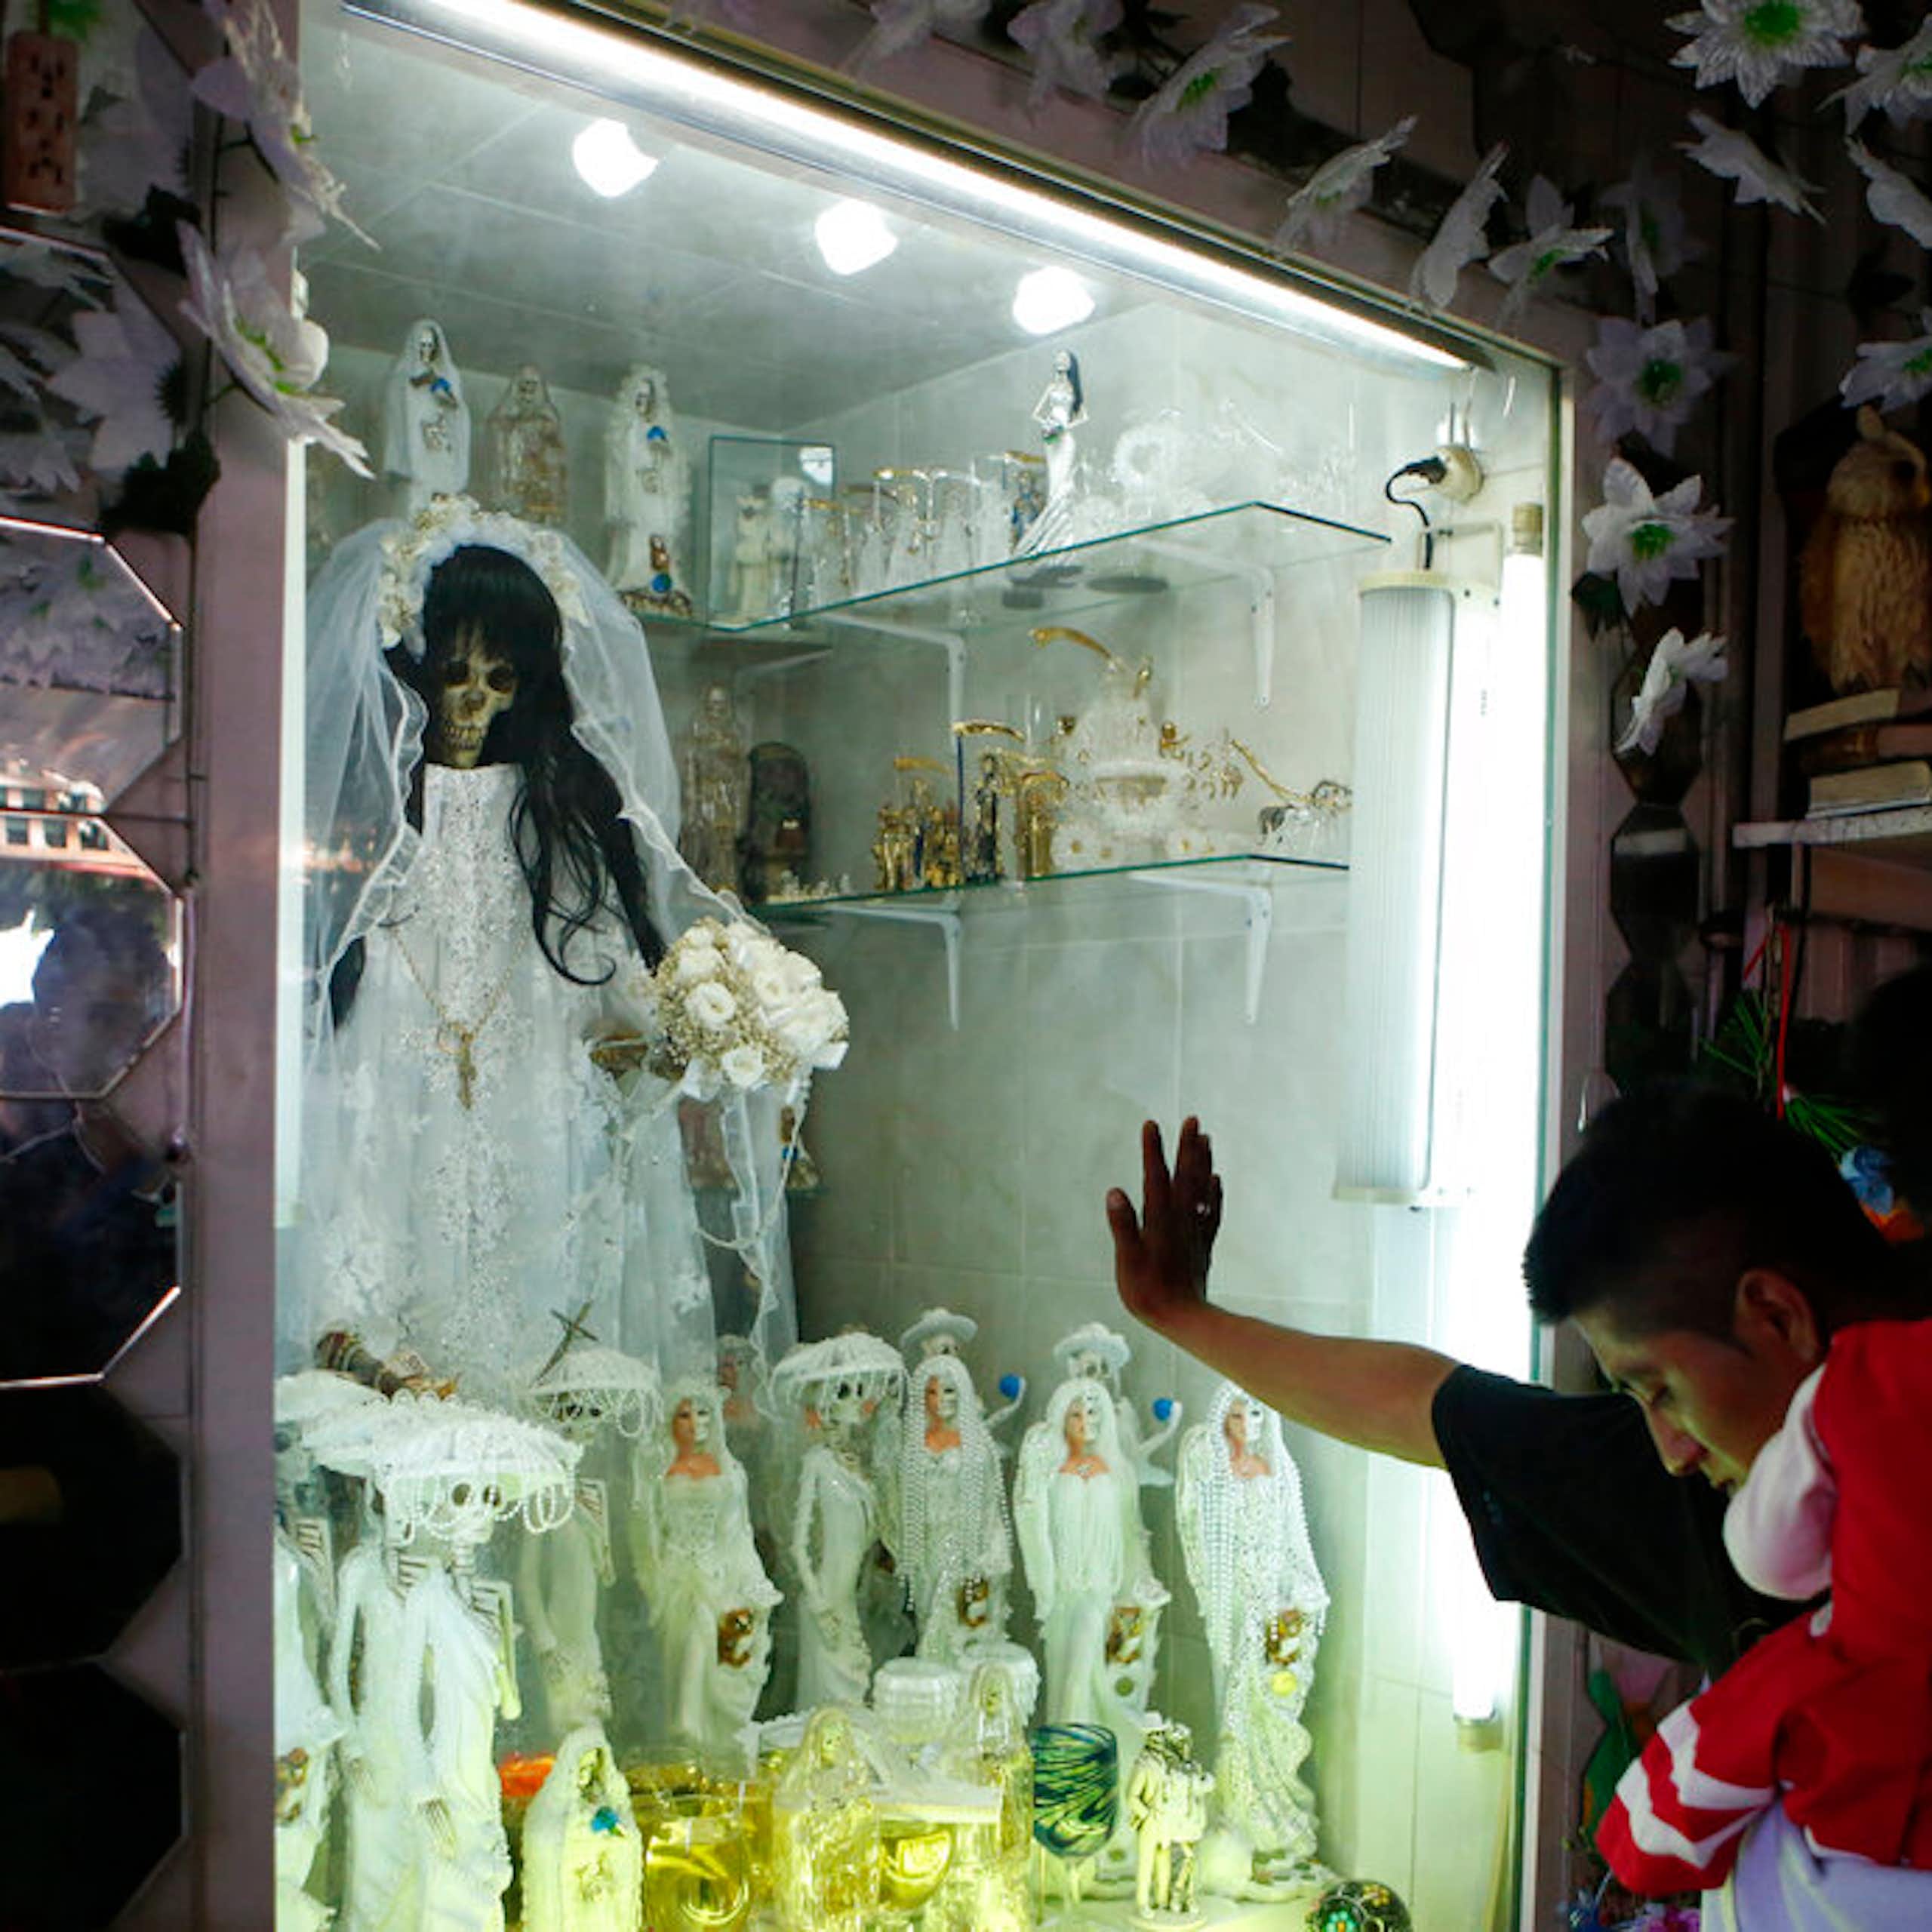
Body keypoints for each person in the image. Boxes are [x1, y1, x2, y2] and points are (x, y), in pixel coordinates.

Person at [1106, 1087, 1932, 1927]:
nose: (1669, 1447)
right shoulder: (1700, 1495)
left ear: (1774, 1314)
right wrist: (1181, 1315)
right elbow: (1426, 1405)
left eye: (1663, 1390)